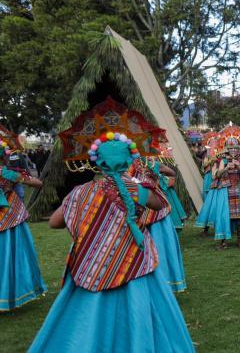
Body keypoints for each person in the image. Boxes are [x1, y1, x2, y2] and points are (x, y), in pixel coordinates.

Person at [29, 132, 194, 352]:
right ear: (128, 160)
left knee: (90, 316)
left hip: (92, 264)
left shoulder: (81, 192)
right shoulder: (137, 190)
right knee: (137, 312)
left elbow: (55, 222)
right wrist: (139, 186)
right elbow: (159, 205)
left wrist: (89, 219)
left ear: (97, 162)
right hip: (134, 262)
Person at [127, 158, 187, 292]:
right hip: (156, 209)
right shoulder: (151, 162)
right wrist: (160, 182)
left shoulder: (126, 164)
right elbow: (171, 172)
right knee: (163, 247)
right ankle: (166, 282)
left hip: (138, 208)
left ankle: (147, 284)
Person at [0, 142, 47, 311]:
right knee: (11, 256)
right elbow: (37, 183)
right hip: (10, 218)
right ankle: (10, 294)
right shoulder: (7, 173)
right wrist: (22, 175)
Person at [195, 125, 240, 249]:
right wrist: (225, 168)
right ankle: (223, 242)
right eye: (230, 148)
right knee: (224, 216)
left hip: (239, 189)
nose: (233, 150)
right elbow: (215, 176)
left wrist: (239, 167)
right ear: (226, 148)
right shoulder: (221, 160)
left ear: (239, 147)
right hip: (225, 190)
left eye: (235, 147)